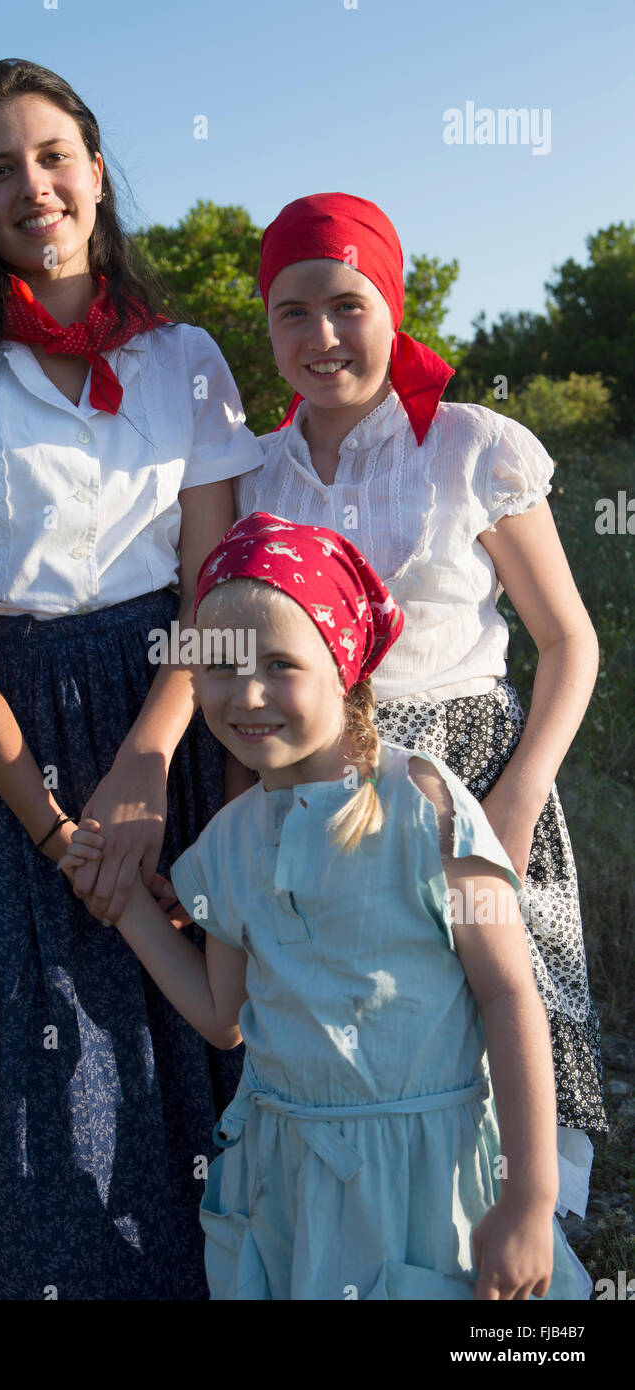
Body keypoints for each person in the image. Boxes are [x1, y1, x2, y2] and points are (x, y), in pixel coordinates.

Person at [0, 58, 262, 1299]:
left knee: (181, 1061)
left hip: (167, 716)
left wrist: (143, 768)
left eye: (51, 154)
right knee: (29, 1094)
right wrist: (55, 821)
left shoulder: (184, 357)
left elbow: (216, 587)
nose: (32, 185)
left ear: (92, 168)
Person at [61, 511, 588, 1300]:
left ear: (344, 665)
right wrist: (125, 902)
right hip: (293, 1181)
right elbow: (221, 1013)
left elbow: (510, 994)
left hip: (427, 1176)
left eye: (280, 664)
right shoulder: (230, 841)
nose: (248, 694)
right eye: (220, 666)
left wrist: (528, 1197)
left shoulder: (425, 806)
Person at [235, 193, 606, 1223]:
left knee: (501, 1018)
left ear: (390, 304)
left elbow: (568, 640)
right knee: (365, 1043)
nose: (320, 335)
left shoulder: (469, 447)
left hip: (471, 773)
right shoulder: (254, 472)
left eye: (346, 304)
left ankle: (530, 1247)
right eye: (291, 312)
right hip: (319, 788)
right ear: (267, 326)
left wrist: (519, 793)